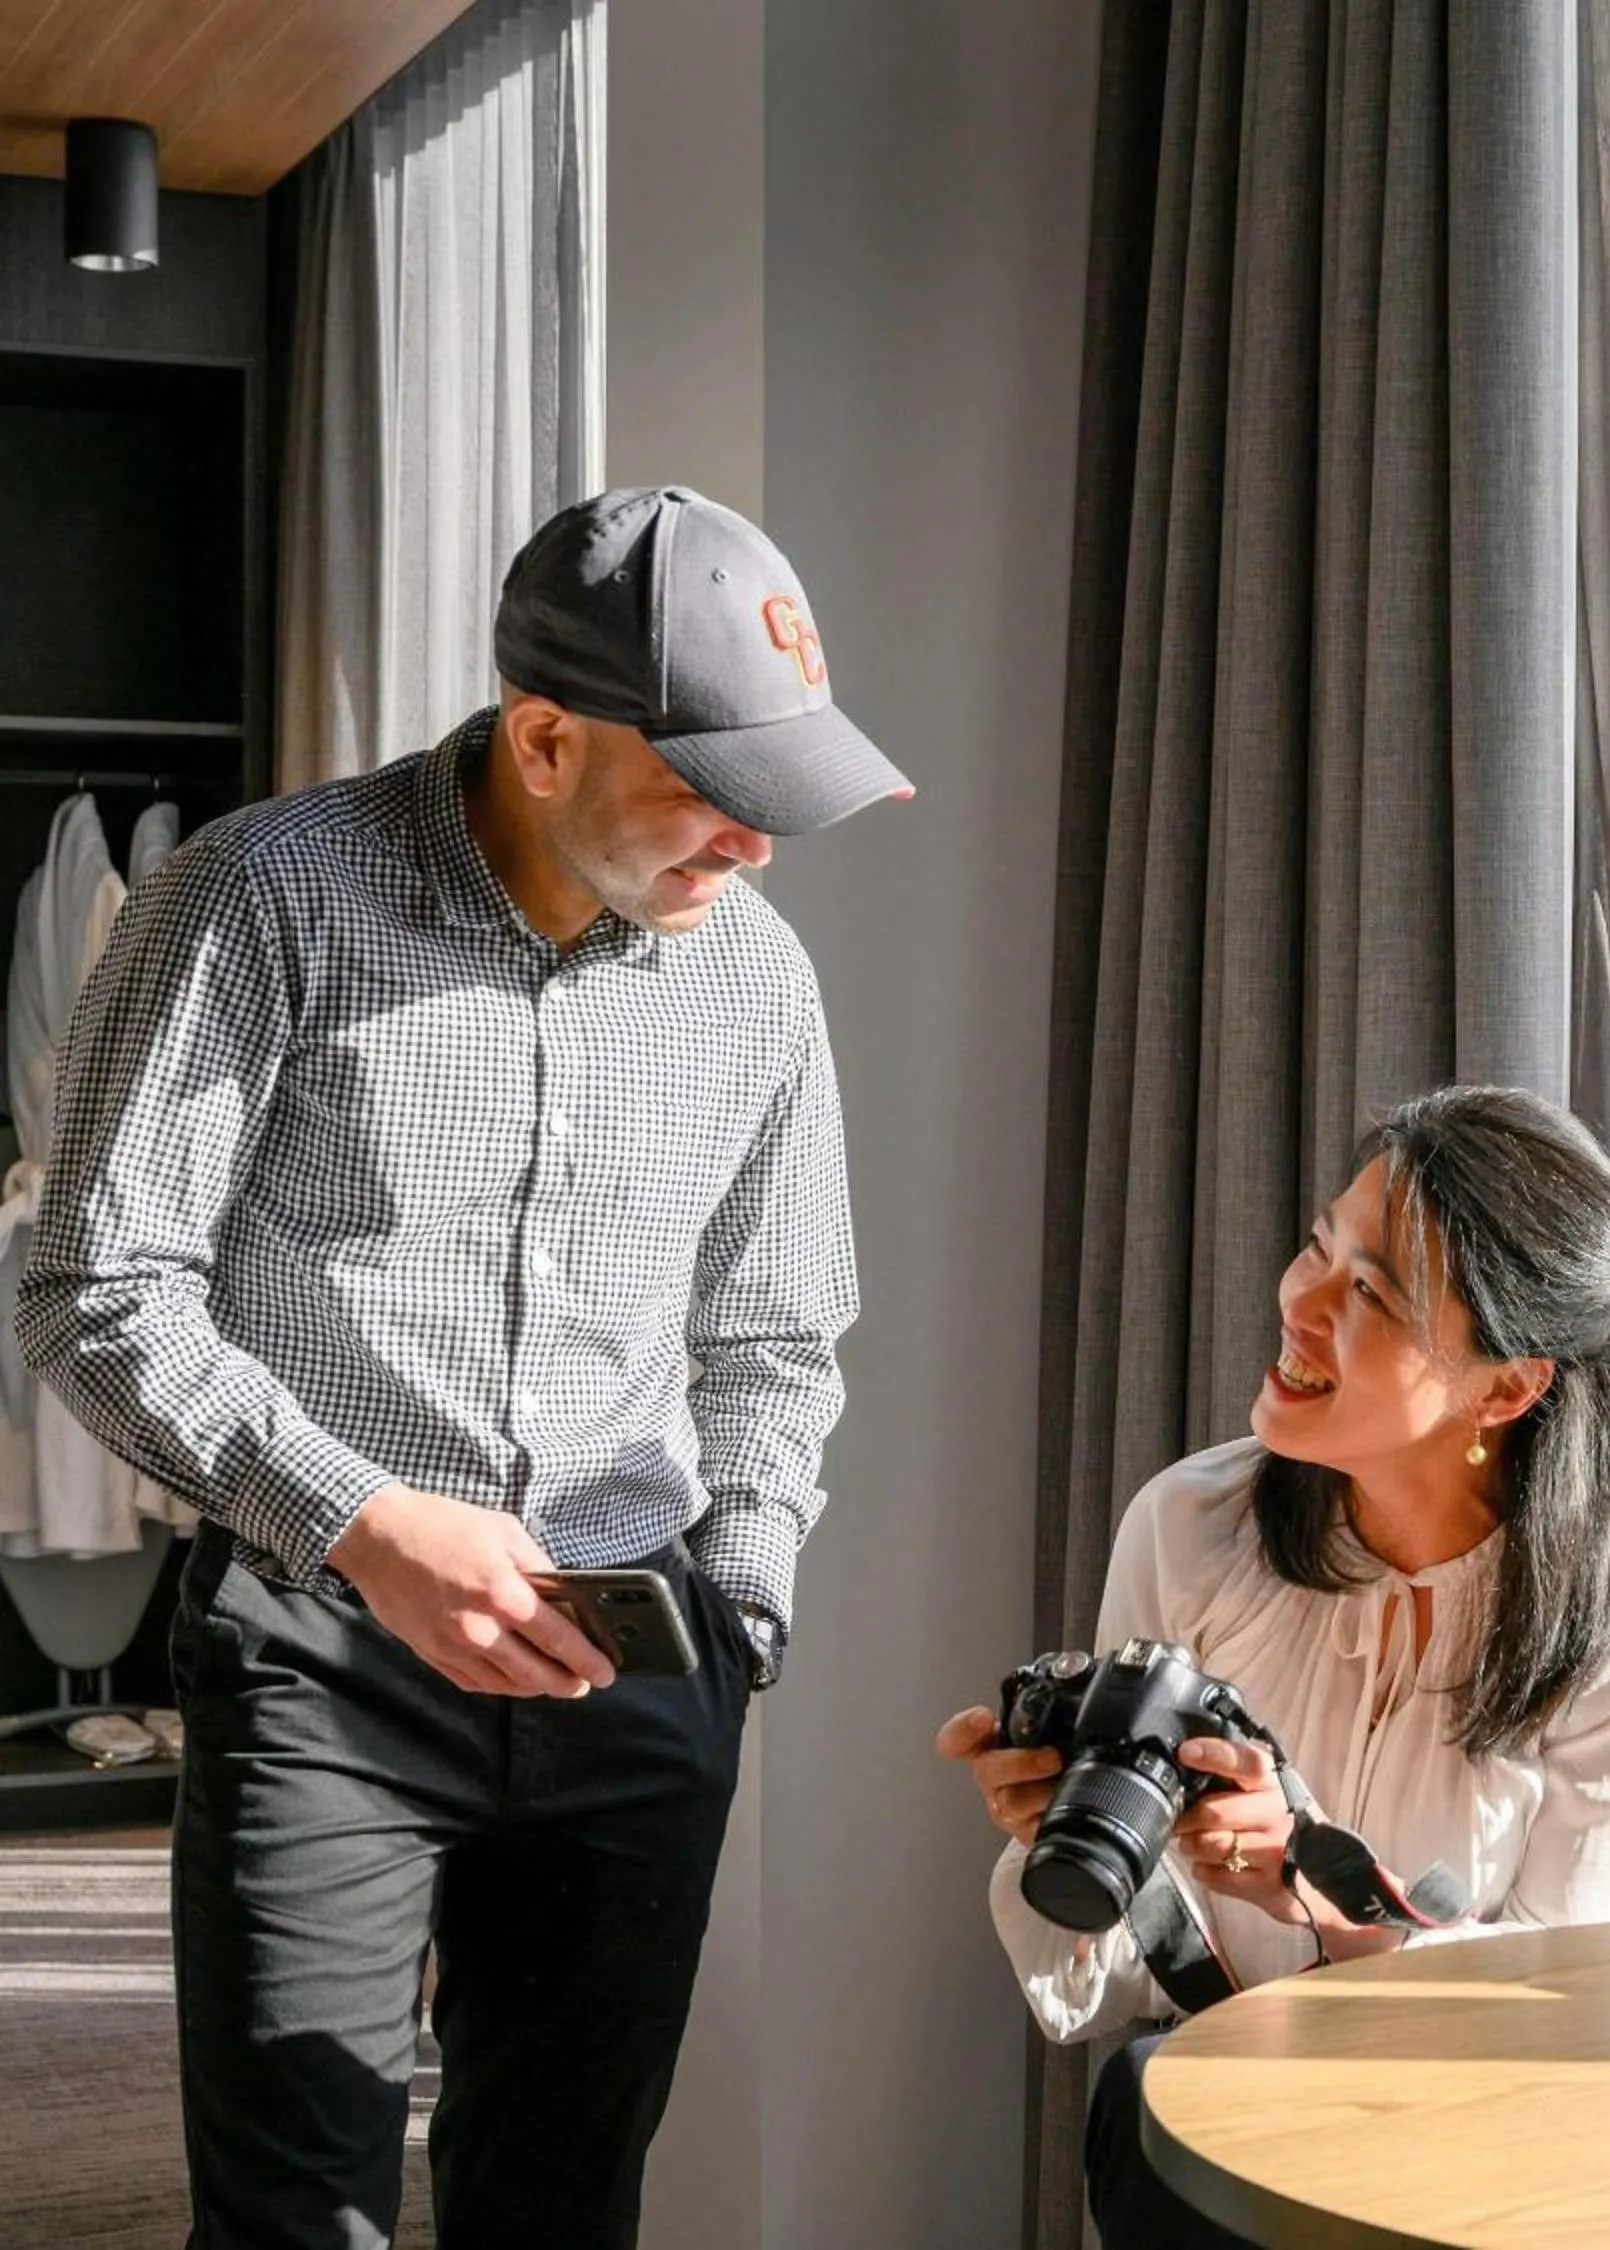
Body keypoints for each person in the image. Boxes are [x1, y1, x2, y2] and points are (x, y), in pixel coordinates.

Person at [17, 486, 910, 2250]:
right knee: (296, 2223)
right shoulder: (254, 899)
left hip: (636, 1660)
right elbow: (97, 1281)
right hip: (320, 1651)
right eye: (715, 799)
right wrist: (361, 1524)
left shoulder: (757, 983)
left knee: (561, 2208)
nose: (751, 853)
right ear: (546, 735)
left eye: (778, 808)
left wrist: (734, 1613)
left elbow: (776, 1335)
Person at [936, 1084, 1610, 2245]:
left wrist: (1313, 1883)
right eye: (1320, 1246)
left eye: (1369, 1293)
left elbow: (1581, 2005)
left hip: (1526, 2165)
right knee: (1153, 2093)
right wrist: (1076, 1834)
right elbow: (1114, 1992)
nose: (1300, 1303)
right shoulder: (1193, 1529)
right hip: (1259, 2135)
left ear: (1507, 1388)